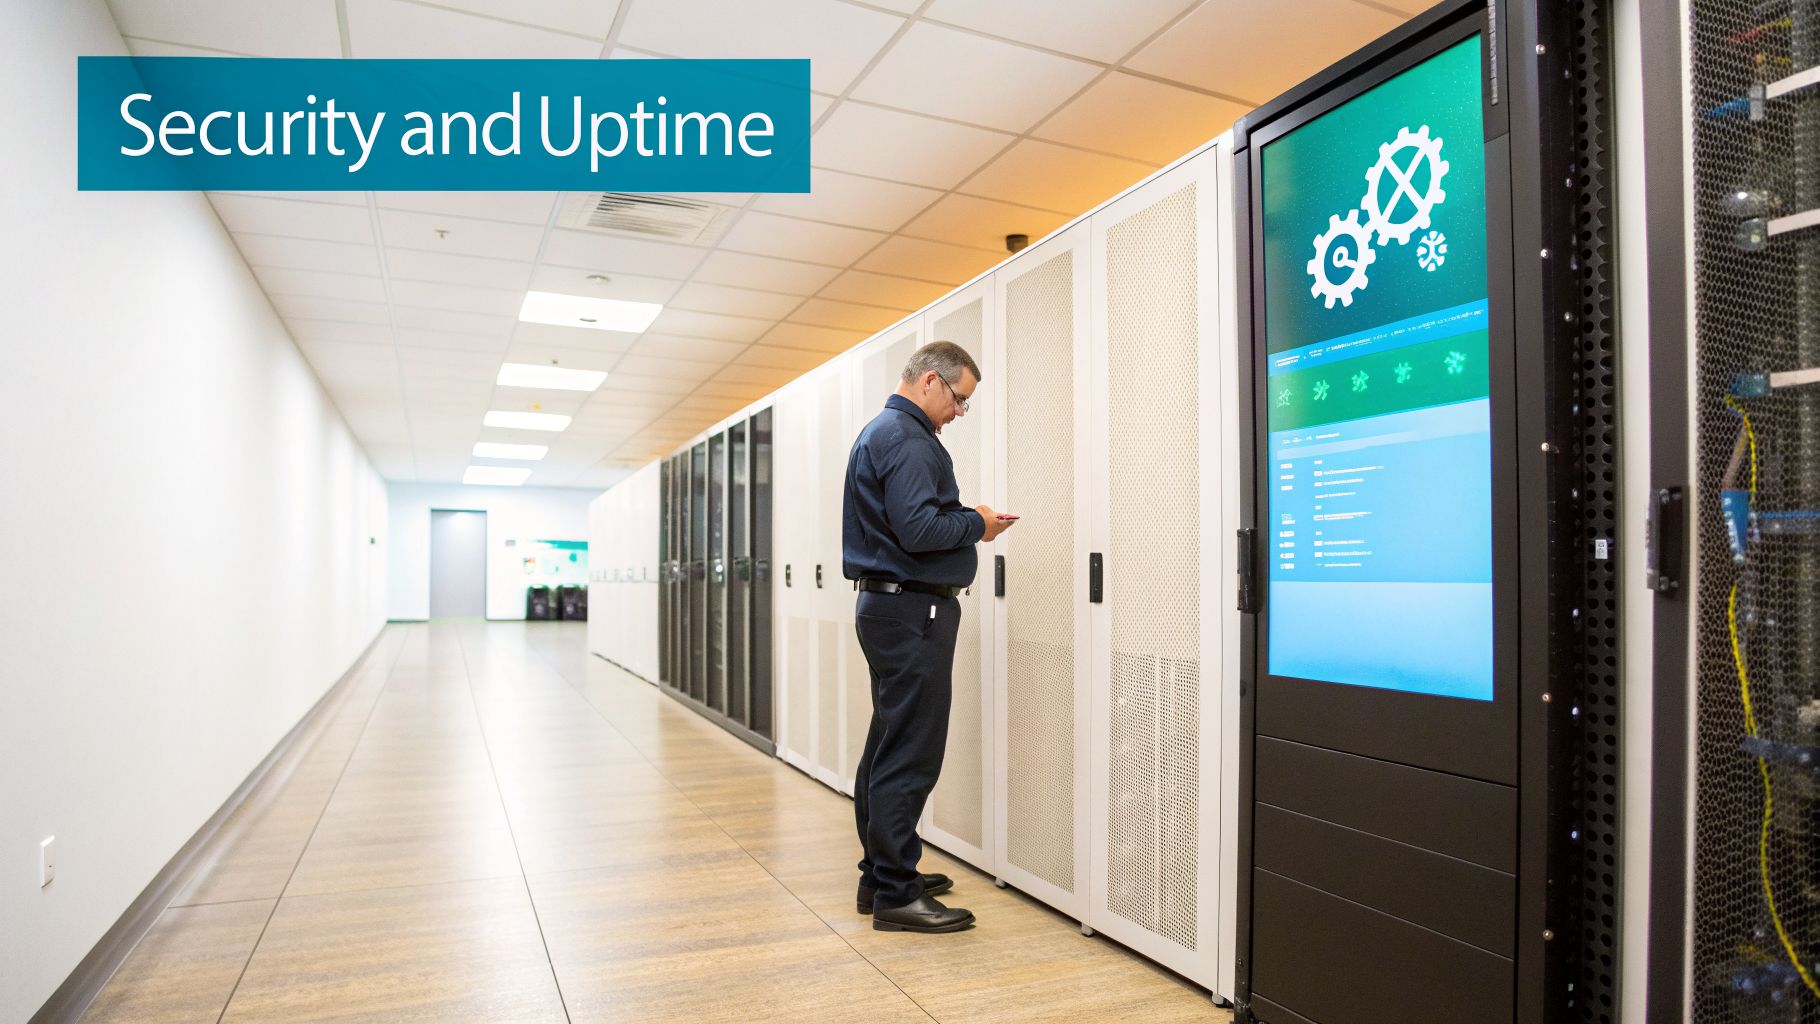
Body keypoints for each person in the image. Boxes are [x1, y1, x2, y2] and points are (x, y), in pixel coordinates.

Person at [842, 340, 1015, 933]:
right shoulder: (909, 440)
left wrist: (965, 521)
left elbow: (906, 521)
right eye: (960, 399)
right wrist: (978, 523)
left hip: (891, 611)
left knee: (889, 743)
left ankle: (882, 874)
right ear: (931, 382)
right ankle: (895, 891)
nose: (961, 412)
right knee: (909, 752)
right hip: (912, 613)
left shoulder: (884, 433)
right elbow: (918, 529)